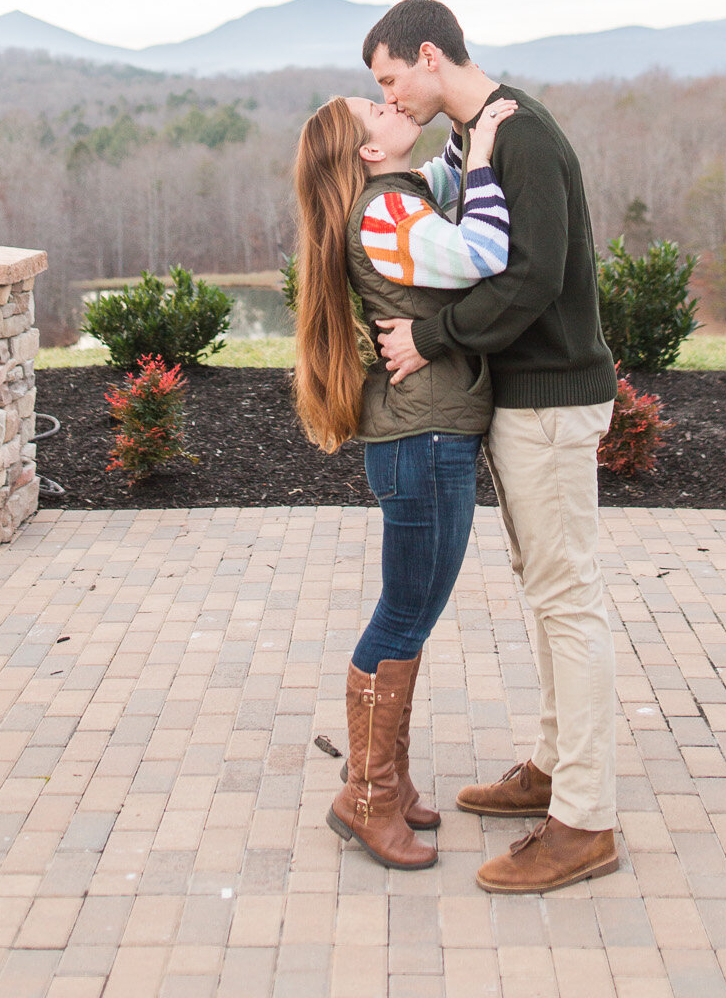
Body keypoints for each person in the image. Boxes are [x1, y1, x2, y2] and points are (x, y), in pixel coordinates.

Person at [366, 0, 620, 896]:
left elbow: (532, 277)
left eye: (392, 80)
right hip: (525, 403)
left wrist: (432, 340)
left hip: (553, 400)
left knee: (567, 598)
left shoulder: (522, 134)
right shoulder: (478, 139)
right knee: (547, 593)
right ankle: (553, 768)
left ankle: (583, 820)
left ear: (428, 55)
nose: (391, 100)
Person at [292, 89, 517, 870]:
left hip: (427, 433)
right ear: (366, 149)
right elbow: (484, 252)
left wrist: (464, 128)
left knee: (409, 617)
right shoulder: (383, 212)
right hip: (421, 439)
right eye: (375, 109)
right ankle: (367, 796)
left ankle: (388, 780)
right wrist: (482, 151)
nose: (391, 105)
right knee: (403, 618)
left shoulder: (394, 196)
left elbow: (440, 186)